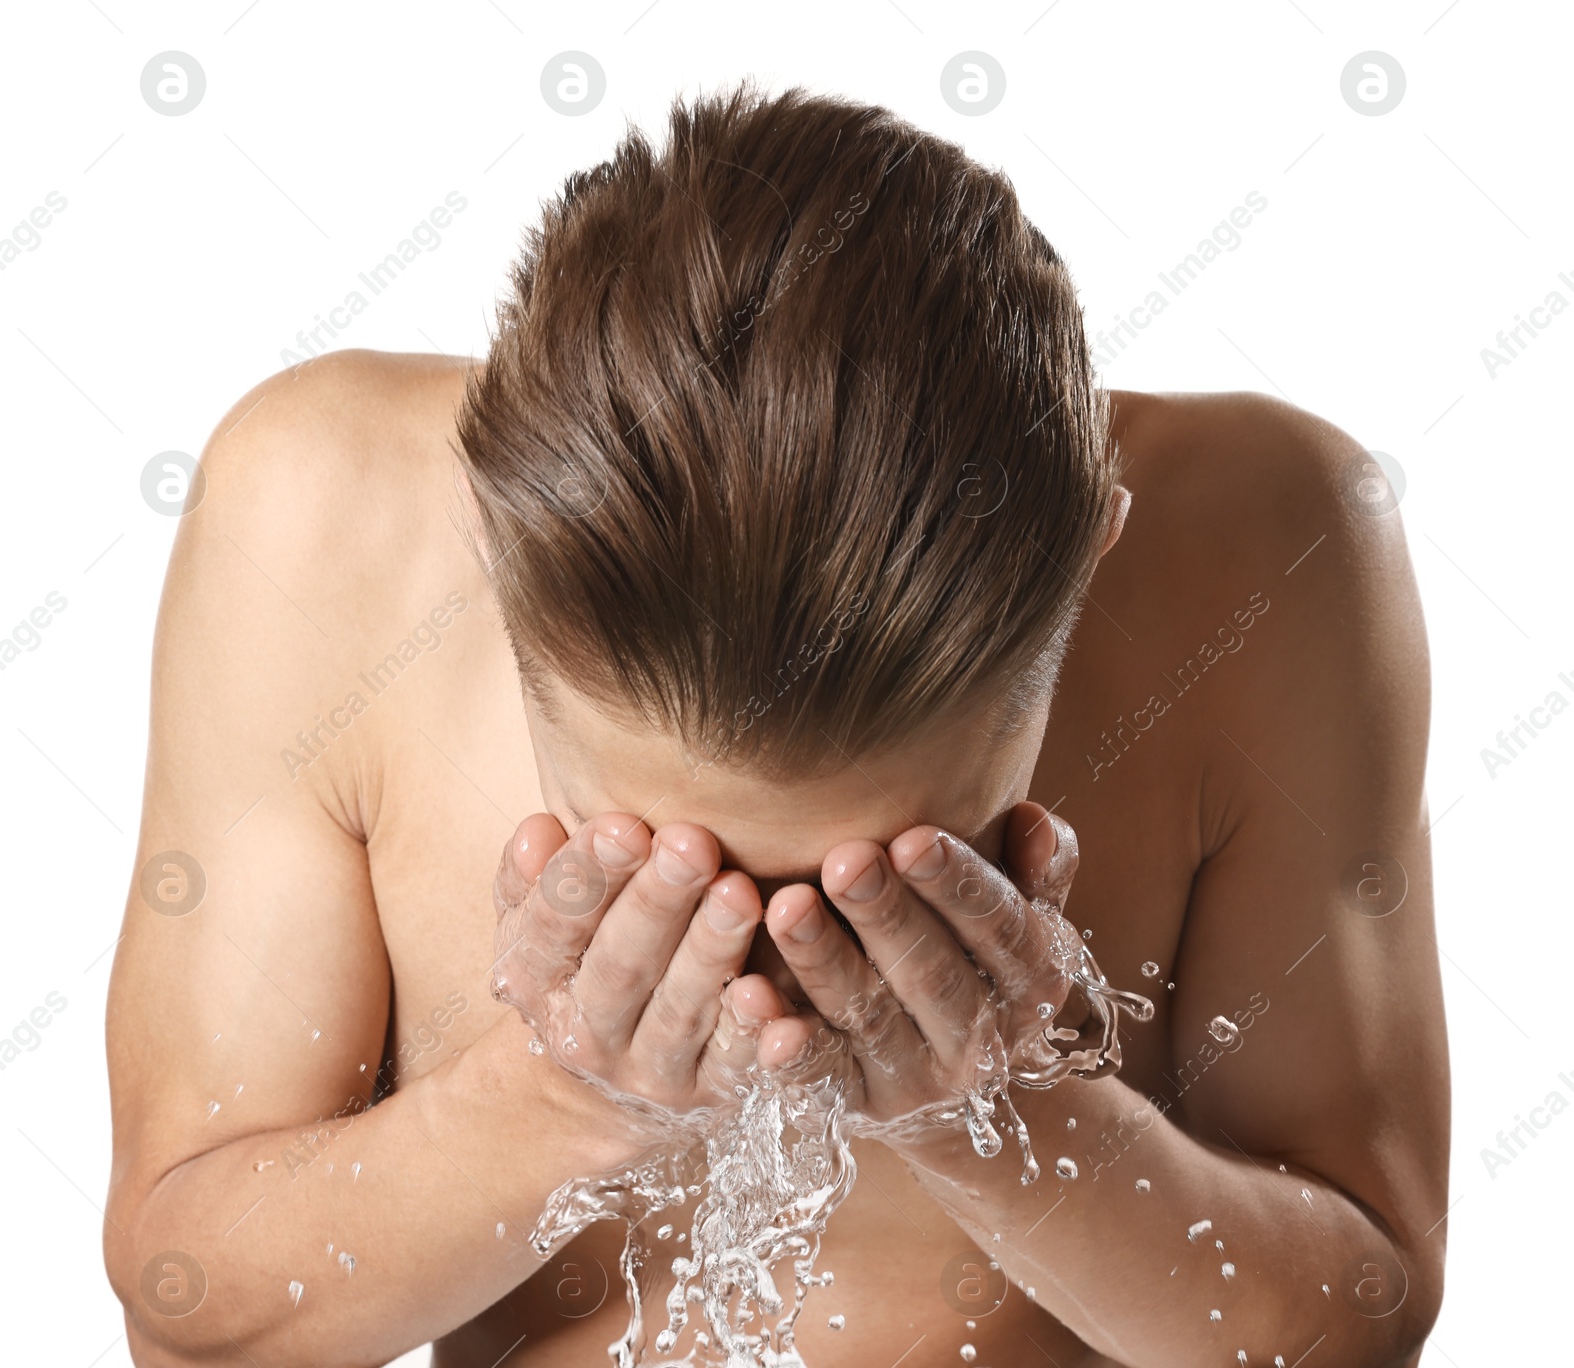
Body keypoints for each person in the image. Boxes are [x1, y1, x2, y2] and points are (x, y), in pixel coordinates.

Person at [103, 81, 1448, 1367]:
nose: (776, 967)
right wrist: (559, 1098)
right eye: (661, 856)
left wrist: (1000, 1112)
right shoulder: (316, 512)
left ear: (1091, 558)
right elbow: (191, 1321)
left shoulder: (1269, 542)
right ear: (490, 552)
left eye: (894, 872)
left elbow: (1365, 1317)